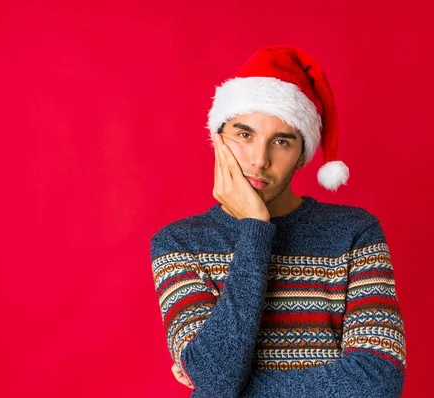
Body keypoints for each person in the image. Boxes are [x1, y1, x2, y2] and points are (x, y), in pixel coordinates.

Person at [150, 45, 406, 397]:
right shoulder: (179, 243)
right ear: (217, 139)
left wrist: (232, 389)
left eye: (281, 141)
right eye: (244, 134)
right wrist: (255, 228)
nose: (259, 160)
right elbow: (214, 375)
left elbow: (376, 382)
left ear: (302, 155)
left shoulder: (354, 232)